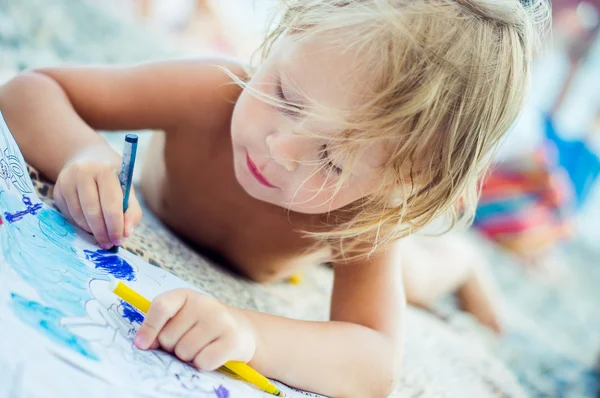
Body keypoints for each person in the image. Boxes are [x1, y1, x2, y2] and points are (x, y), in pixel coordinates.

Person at [0, 1, 548, 396]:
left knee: (412, 279)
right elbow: (32, 90)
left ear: (399, 186)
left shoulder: (364, 215)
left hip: (316, 258)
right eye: (285, 94)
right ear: (292, 27)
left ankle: (464, 262)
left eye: (333, 158)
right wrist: (79, 154)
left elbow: (373, 363)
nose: (281, 148)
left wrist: (247, 332)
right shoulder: (213, 93)